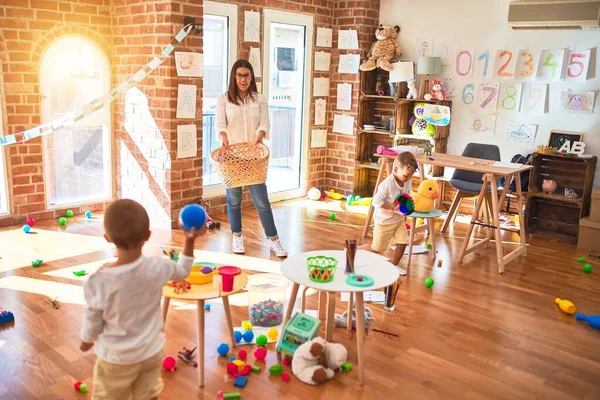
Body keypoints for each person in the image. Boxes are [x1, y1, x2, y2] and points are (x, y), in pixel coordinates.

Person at [80, 199, 203, 400]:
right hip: (150, 354)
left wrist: (86, 340)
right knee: (148, 396)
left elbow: (92, 317)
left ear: (107, 238)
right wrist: (189, 240)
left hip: (115, 359)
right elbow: (183, 270)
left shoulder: (97, 281)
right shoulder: (157, 268)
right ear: (148, 236)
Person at [215, 59, 287, 257]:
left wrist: (259, 136)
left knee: (261, 200)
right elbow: (220, 125)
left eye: (246, 75)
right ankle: (237, 236)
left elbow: (265, 123)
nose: (243, 79)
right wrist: (224, 138)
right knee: (234, 199)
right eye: (239, 75)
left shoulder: (259, 99)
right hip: (232, 156)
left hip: (254, 156)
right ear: (234, 77)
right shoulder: (224, 99)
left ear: (251, 77)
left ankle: (273, 239)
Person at [360, 152, 417, 275]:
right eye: (406, 176)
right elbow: (376, 202)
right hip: (384, 221)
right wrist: (393, 209)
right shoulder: (387, 185)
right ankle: (356, 250)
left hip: (398, 220)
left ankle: (393, 265)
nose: (408, 179)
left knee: (402, 243)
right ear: (395, 169)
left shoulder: (407, 180)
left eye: (411, 176)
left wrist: (409, 201)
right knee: (377, 248)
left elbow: (406, 194)